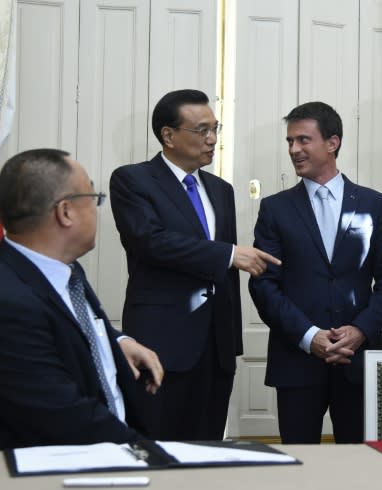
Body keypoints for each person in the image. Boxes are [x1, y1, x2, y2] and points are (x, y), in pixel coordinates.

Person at [0, 149, 164, 451]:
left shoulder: (63, 270)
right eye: (94, 199)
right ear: (65, 212)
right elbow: (65, 422)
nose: (98, 210)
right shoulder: (4, 305)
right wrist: (157, 457)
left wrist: (115, 341)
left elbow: (64, 328)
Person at [109, 89, 280, 441]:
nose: (213, 140)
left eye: (215, 129)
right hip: (161, 343)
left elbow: (224, 275)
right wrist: (229, 254)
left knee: (208, 447)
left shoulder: (221, 190)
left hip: (216, 347)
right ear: (168, 136)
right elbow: (150, 242)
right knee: (158, 445)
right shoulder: (133, 180)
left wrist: (231, 341)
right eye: (202, 131)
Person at [249, 101, 382, 444]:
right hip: (296, 363)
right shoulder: (274, 209)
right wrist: (309, 336)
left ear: (332, 143)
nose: (294, 149)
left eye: (303, 140)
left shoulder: (374, 205)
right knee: (299, 467)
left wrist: (361, 330)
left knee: (360, 467)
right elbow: (264, 286)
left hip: (358, 364)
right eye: (290, 141)